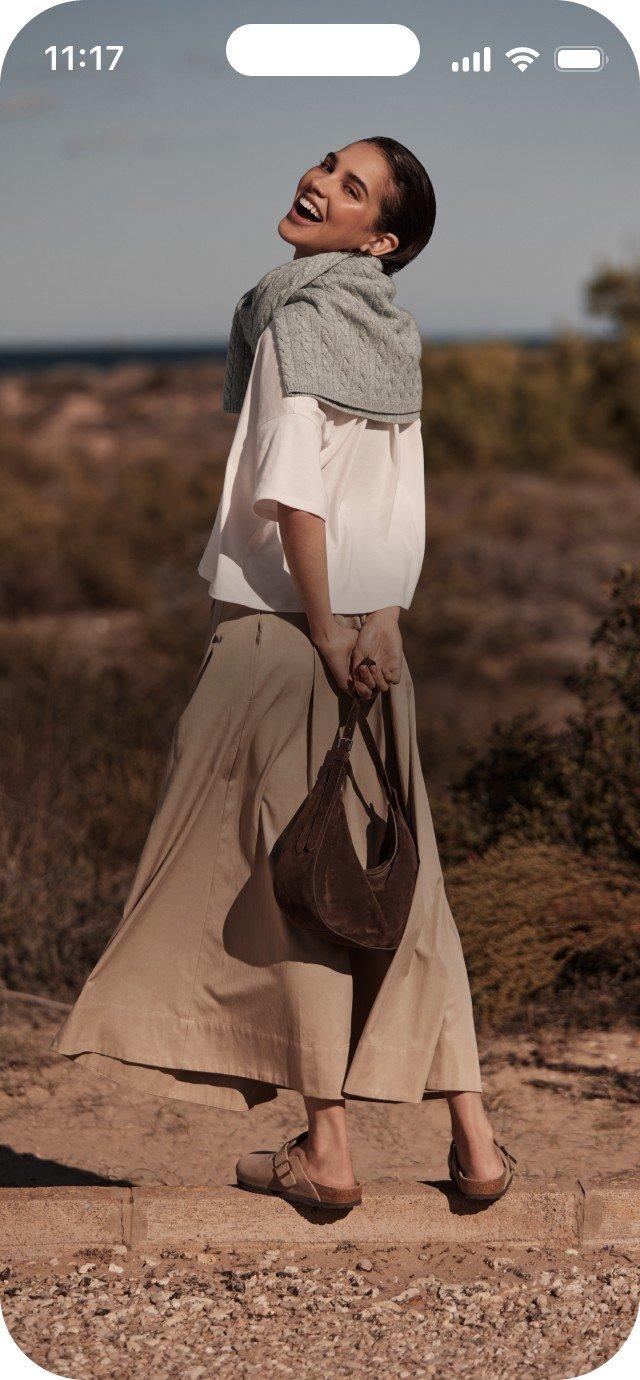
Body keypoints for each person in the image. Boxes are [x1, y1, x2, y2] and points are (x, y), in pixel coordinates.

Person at [52, 137, 515, 1210]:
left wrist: (317, 629)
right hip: (377, 634)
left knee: (287, 884)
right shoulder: (393, 337)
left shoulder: (295, 315)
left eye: (351, 188)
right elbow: (399, 506)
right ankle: (476, 1143)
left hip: (284, 631)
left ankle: (330, 1151)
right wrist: (379, 620)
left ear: (380, 238)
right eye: (324, 166)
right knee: (405, 882)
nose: (319, 184)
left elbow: (293, 494)